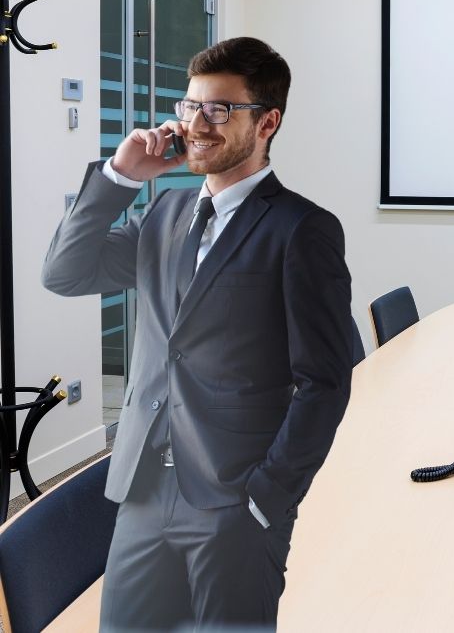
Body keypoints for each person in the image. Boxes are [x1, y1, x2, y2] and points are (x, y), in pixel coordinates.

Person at [42, 37, 353, 631]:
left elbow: (325, 381)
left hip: (233, 498)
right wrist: (120, 175)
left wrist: (267, 497)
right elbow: (65, 272)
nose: (196, 123)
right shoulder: (163, 214)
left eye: (219, 109)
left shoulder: (301, 230)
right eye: (189, 106)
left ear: (267, 121)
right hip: (141, 490)